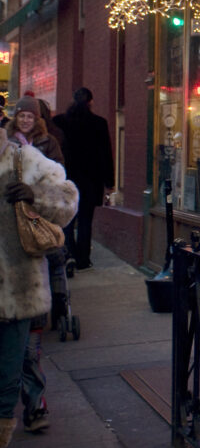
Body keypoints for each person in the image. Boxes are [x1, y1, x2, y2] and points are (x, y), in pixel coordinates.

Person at [0, 131, 80, 446]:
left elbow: (68, 198)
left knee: (7, 378)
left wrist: (34, 194)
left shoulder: (23, 158)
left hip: (18, 292)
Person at [11, 97, 66, 434]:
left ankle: (35, 406)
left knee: (29, 351)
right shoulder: (6, 149)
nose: (25, 119)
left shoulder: (44, 148)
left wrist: (34, 196)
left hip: (30, 261)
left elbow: (64, 196)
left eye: (31, 115)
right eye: (21, 115)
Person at [51, 88, 114, 271]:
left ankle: (68, 254)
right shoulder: (99, 123)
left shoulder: (60, 122)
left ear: (72, 100)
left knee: (68, 221)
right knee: (86, 220)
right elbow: (106, 154)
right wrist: (109, 182)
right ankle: (83, 260)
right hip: (90, 181)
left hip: (66, 178)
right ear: (91, 102)